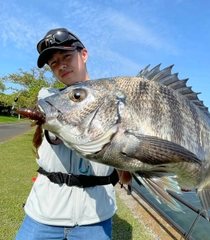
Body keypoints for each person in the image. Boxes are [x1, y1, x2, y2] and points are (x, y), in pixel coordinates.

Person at [15, 28, 132, 240]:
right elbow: (56, 132)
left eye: (66, 56)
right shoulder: (48, 98)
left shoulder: (114, 100)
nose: (60, 65)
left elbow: (125, 171)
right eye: (53, 63)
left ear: (84, 54)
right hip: (44, 213)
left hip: (94, 218)